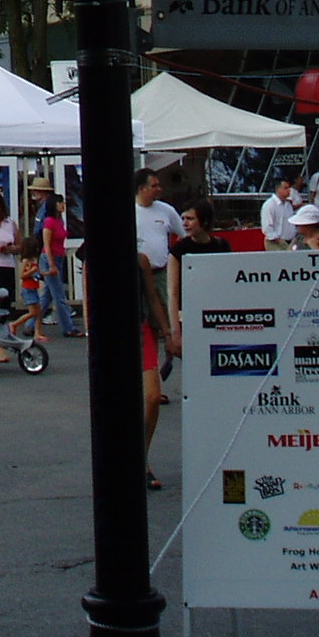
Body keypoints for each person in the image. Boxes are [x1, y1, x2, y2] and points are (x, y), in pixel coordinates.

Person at [134, 170, 184, 377]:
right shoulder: (131, 211)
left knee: (167, 320)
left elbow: (183, 235)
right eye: (154, 185)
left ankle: (167, 361)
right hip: (138, 276)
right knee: (146, 326)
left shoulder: (166, 211)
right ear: (141, 188)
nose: (159, 189)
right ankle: (150, 373)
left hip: (161, 274)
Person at [169, 199, 232, 352]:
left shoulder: (222, 246)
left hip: (218, 316)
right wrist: (175, 331)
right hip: (189, 317)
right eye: (182, 219)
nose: (185, 224)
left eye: (190, 219)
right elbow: (173, 292)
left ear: (204, 222)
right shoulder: (178, 250)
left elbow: (230, 284)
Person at [139, 251, 175, 490]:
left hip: (142, 329)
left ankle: (141, 456)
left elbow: (152, 297)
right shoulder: (95, 258)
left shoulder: (140, 260)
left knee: (153, 396)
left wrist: (167, 332)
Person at [30, 181, 81, 338]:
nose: (63, 205)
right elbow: (46, 242)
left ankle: (31, 324)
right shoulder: (49, 221)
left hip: (58, 256)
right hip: (50, 257)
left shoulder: (58, 220)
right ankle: (68, 327)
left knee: (48, 295)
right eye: (61, 203)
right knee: (59, 294)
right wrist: (50, 263)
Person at [261, 178, 298, 249]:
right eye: (285, 188)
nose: (289, 190)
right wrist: (277, 239)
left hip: (290, 242)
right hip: (276, 243)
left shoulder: (288, 204)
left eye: (289, 188)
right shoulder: (269, 205)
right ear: (278, 189)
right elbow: (267, 226)